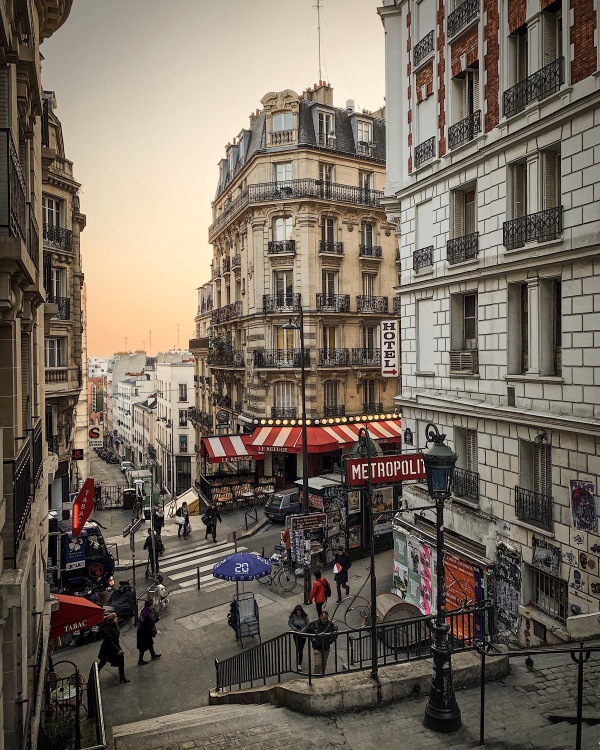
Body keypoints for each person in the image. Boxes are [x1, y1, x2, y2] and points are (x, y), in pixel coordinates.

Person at [97, 612, 129, 683]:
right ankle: (122, 677)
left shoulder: (114, 625)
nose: (116, 618)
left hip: (112, 646)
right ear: (112, 620)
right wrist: (117, 650)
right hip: (109, 648)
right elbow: (109, 640)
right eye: (115, 618)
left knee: (105, 661)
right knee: (103, 662)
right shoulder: (108, 628)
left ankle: (122, 677)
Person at [303, 610, 337, 675]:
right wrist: (313, 639)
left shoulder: (330, 624)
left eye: (326, 618)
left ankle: (322, 675)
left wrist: (330, 641)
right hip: (317, 647)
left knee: (324, 663)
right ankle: (316, 677)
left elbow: (335, 633)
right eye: (324, 618)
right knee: (318, 664)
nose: (325, 620)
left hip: (326, 647)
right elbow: (307, 631)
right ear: (320, 617)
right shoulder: (314, 624)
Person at [137, 599, 161, 665]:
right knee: (143, 647)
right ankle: (140, 660)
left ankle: (153, 655)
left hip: (145, 632)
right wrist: (157, 619)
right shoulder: (147, 614)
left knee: (150, 644)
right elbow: (149, 624)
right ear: (149, 606)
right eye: (152, 605)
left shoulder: (145, 611)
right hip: (144, 632)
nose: (153, 606)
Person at [288, 604, 309, 671]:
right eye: (297, 612)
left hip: (303, 635)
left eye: (299, 612)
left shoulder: (305, 617)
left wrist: (302, 631)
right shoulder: (293, 617)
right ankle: (299, 660)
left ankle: (299, 663)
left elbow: (308, 625)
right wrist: (294, 628)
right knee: (298, 647)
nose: (298, 614)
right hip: (296, 635)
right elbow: (290, 623)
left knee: (301, 649)